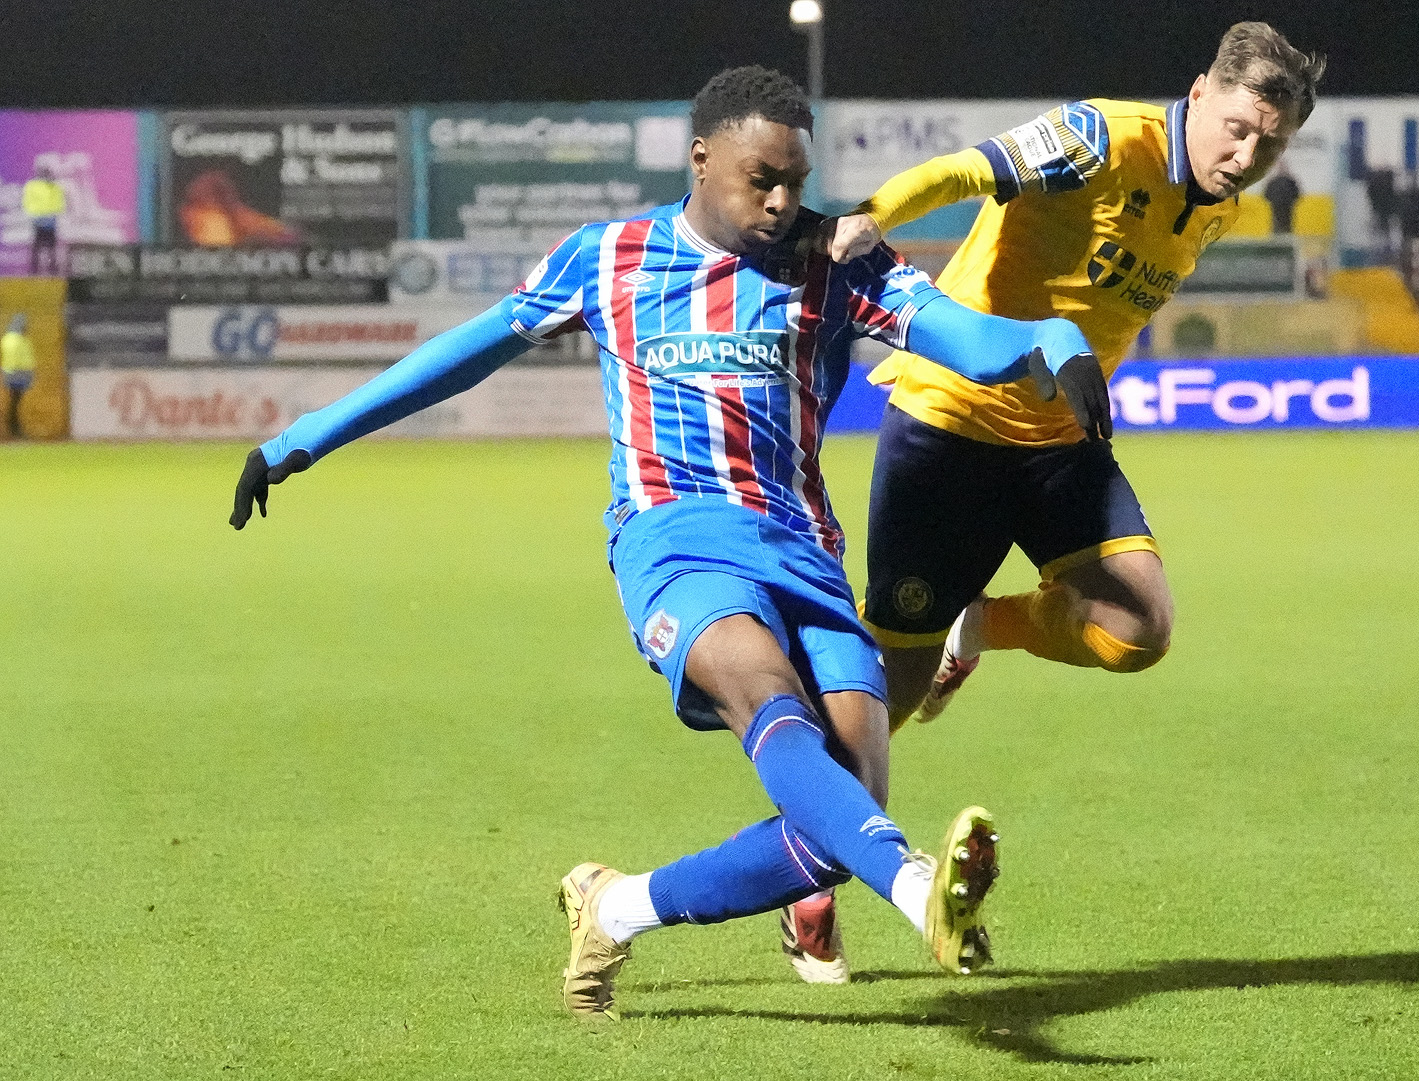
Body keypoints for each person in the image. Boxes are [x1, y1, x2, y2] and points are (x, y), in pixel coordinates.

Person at [227, 66, 1106, 1013]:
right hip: (676, 540)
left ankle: (614, 907)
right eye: (760, 179)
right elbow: (464, 353)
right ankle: (915, 886)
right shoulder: (609, 257)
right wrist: (303, 436)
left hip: (805, 552)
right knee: (771, 703)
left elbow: (964, 336)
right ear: (701, 159)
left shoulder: (837, 264)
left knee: (835, 825)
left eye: (795, 182)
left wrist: (1053, 342)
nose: (781, 202)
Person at [799, 20, 1322, 971]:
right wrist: (872, 214)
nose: (1248, 156)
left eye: (1271, 143)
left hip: (1060, 446)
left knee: (1140, 628)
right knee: (887, 696)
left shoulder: (1217, 206)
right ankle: (807, 879)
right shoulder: (1100, 137)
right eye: (1239, 128)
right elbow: (966, 171)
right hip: (948, 426)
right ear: (1199, 93)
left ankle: (977, 627)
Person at [21, 165, 65, 276]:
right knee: (37, 247)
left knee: (50, 247)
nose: (46, 176)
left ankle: (52, 269)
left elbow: (59, 203)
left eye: (48, 173)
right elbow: (27, 202)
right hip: (38, 220)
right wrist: (36, 215)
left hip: (50, 221)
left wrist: (52, 214)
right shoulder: (32, 186)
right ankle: (34, 269)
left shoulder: (54, 186)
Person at [2, 314, 34, 438]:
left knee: (15, 402)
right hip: (16, 375)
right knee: (15, 403)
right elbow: (19, 359)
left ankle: (14, 428)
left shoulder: (9, 338)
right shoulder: (17, 340)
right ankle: (14, 428)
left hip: (13, 374)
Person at [1263, 161, 1300, 233]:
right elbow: (1266, 194)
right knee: (1278, 224)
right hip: (1277, 207)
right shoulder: (1275, 182)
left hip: (1287, 207)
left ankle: (1284, 234)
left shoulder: (1290, 182)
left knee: (1286, 224)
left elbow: (1297, 194)